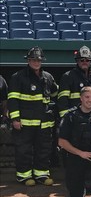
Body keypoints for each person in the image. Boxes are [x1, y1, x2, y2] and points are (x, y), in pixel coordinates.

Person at [7, 46, 58, 186]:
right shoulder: (18, 77)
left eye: (38, 60)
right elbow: (12, 99)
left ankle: (41, 174)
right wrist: (15, 119)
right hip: (25, 123)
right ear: (28, 61)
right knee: (24, 150)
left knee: (44, 149)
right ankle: (24, 176)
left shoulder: (48, 77)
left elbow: (54, 94)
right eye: (33, 60)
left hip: (44, 123)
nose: (36, 62)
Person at [58, 86, 91, 197]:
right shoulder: (70, 116)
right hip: (76, 155)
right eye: (87, 97)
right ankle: (82, 187)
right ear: (81, 98)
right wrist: (80, 153)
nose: (90, 100)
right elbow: (62, 142)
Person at [58, 46, 91, 118]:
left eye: (87, 60)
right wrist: (66, 118)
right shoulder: (68, 76)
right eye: (82, 60)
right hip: (74, 117)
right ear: (77, 61)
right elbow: (62, 101)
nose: (84, 62)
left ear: (90, 61)